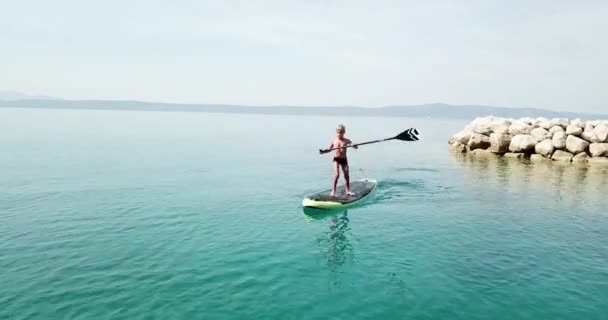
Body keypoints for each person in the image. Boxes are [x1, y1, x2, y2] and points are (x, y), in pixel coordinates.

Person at [326, 124, 357, 197]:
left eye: (341, 132)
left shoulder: (347, 140)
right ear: (336, 132)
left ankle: (348, 190)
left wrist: (354, 145)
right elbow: (329, 150)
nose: (339, 134)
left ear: (344, 132)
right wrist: (324, 151)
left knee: (346, 174)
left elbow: (354, 146)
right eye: (338, 132)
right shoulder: (334, 141)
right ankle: (333, 191)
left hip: (344, 159)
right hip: (336, 159)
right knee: (337, 174)